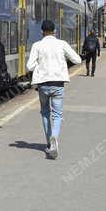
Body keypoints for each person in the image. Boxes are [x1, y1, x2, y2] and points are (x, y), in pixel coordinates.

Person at [26, 20, 81, 159]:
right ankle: (54, 137)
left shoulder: (37, 45)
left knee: (45, 113)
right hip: (58, 84)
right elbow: (78, 60)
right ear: (55, 31)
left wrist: (40, 65)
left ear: (42, 31)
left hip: (43, 85)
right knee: (57, 114)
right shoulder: (62, 44)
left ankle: (49, 143)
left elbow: (29, 66)